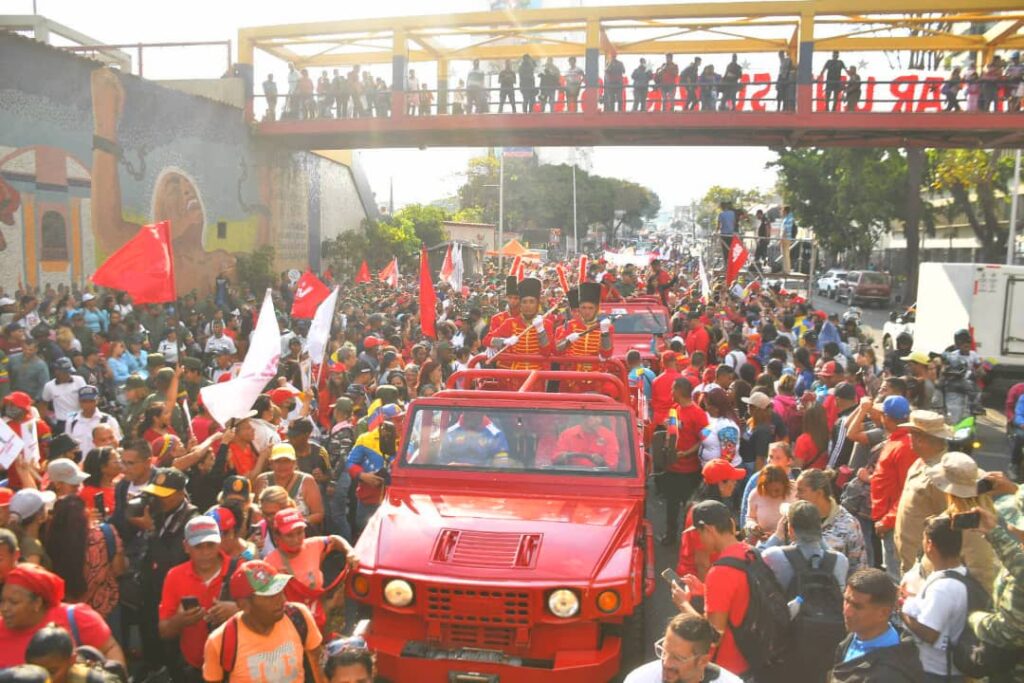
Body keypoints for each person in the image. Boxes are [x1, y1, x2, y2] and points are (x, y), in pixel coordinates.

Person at [202, 560, 325, 683]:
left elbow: (319, 665)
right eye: (270, 596)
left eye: (280, 590)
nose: (282, 600)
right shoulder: (219, 642)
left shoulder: (298, 616)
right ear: (244, 605)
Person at [670, 500, 753, 679]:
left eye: (698, 533)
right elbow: (737, 597)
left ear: (708, 530)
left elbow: (713, 637)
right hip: (750, 655)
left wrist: (683, 604)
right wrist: (704, 590)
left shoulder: (720, 572)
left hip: (726, 667)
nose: (697, 540)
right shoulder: (750, 552)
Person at [158, 516, 240, 681]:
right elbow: (164, 631)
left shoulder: (241, 569)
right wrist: (180, 621)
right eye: (198, 547)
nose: (206, 553)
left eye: (211, 545)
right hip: (195, 669)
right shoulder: (175, 576)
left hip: (237, 667)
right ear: (186, 547)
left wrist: (237, 611)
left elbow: (269, 613)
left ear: (219, 543)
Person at [0, 564, 125, 668]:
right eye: (2, 601)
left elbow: (110, 649)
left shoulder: (76, 618)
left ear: (37, 603)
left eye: (14, 602)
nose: (5, 608)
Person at [900, 516, 970, 682]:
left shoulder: (943, 588)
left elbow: (930, 634)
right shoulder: (959, 573)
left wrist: (901, 608)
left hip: (937, 673)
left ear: (930, 545)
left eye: (923, 539)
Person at [265, 508, 357, 632]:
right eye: (289, 535)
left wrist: (349, 551)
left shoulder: (314, 545)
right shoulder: (269, 563)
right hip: (289, 628)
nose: (296, 539)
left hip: (319, 620)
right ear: (277, 536)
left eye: (300, 532)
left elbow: (334, 540)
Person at [831, 568, 924, 682]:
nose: (847, 612)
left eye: (857, 606)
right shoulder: (853, 638)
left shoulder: (890, 675)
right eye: (846, 600)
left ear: (883, 613)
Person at [871, 395, 917, 581]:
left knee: (895, 576)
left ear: (887, 418)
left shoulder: (904, 446)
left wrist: (888, 520)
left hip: (893, 523)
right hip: (887, 519)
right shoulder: (898, 439)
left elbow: (908, 490)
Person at [623, 613, 743, 683]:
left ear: (703, 661)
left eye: (678, 658)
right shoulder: (639, 679)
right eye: (664, 651)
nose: (666, 663)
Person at [660, 377, 709, 544]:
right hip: (673, 468)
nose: (670, 393)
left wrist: (686, 453)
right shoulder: (675, 409)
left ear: (680, 391)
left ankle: (690, 539)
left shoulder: (698, 414)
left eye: (673, 389)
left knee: (690, 508)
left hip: (690, 471)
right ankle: (671, 536)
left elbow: (704, 439)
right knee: (671, 506)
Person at [253, 443, 324, 531]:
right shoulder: (262, 480)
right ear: (270, 463)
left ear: (295, 463)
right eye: (278, 461)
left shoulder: (307, 481)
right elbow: (255, 512)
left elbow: (318, 514)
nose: (282, 465)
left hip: (297, 534)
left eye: (287, 461)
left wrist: (294, 523)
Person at [438, 410, 511, 467]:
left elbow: (501, 464)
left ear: (483, 412)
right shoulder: (450, 433)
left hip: (484, 478)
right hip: (455, 477)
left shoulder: (496, 434)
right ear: (463, 411)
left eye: (475, 412)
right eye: (469, 411)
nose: (472, 415)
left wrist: (478, 468)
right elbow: (441, 461)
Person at [744, 465, 795, 543]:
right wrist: (753, 526)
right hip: (764, 542)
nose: (773, 494)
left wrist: (778, 535)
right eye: (768, 491)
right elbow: (750, 518)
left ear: (785, 485)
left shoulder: (795, 490)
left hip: (790, 542)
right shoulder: (755, 494)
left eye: (777, 490)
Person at [66, 386, 121, 456]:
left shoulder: (108, 420)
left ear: (97, 400)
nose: (88, 404)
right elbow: (68, 447)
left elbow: (116, 443)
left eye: (91, 401)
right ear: (79, 402)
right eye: (84, 401)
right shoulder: (71, 422)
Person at [553, 414, 620, 469]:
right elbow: (555, 458)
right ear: (584, 417)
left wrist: (602, 462)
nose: (599, 421)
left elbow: (612, 465)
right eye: (595, 416)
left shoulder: (609, 436)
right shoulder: (567, 434)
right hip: (571, 476)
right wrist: (563, 456)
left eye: (600, 417)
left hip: (598, 478)